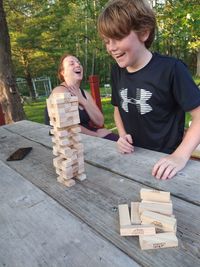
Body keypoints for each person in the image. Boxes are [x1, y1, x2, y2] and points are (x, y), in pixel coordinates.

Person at [97, 0, 200, 179]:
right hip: (131, 158)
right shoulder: (117, 71)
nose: (111, 48)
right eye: (107, 41)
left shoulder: (171, 69)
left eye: (118, 37)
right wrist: (122, 136)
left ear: (144, 33)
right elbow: (117, 109)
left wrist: (179, 156)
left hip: (165, 162)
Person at [47, 53, 119, 141]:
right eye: (72, 63)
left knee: (125, 144)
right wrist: (96, 135)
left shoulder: (84, 93)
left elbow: (100, 121)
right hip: (67, 142)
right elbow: (67, 126)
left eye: (79, 63)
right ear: (63, 72)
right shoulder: (59, 92)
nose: (78, 65)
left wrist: (83, 100)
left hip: (86, 137)